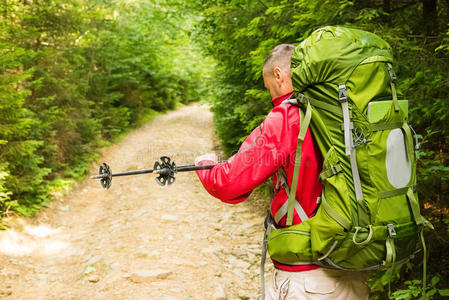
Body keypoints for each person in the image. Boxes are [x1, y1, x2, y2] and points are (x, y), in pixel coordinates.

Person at [195, 44, 369, 299]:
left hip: (309, 277)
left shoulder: (287, 118)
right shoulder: (346, 113)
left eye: (268, 86)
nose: (270, 94)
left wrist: (206, 165)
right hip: (356, 263)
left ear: (279, 75)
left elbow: (230, 183)